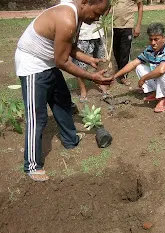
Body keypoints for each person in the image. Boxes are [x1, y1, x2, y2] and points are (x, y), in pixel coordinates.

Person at [15, 0, 112, 181]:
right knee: (37, 117)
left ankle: (70, 139)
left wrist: (88, 59)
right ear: (85, 3)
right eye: (96, 13)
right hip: (32, 64)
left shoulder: (77, 15)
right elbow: (62, 61)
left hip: (48, 61)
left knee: (62, 100)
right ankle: (32, 166)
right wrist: (93, 77)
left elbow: (68, 46)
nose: (97, 18)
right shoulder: (67, 18)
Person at [114, 23, 165, 113]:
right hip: (163, 82)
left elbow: (161, 70)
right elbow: (133, 63)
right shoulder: (150, 49)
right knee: (139, 67)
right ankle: (155, 93)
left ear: (163, 38)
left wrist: (143, 78)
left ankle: (163, 99)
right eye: (151, 39)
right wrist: (114, 76)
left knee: (162, 71)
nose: (153, 43)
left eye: (156, 39)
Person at [73, 21, 110, 103]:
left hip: (99, 32)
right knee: (81, 66)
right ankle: (83, 91)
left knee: (101, 62)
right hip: (83, 35)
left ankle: (102, 84)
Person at [113, 0, 143, 86]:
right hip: (113, 25)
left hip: (127, 26)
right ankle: (118, 71)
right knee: (116, 51)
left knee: (125, 52)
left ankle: (123, 76)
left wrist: (138, 26)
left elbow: (140, 6)